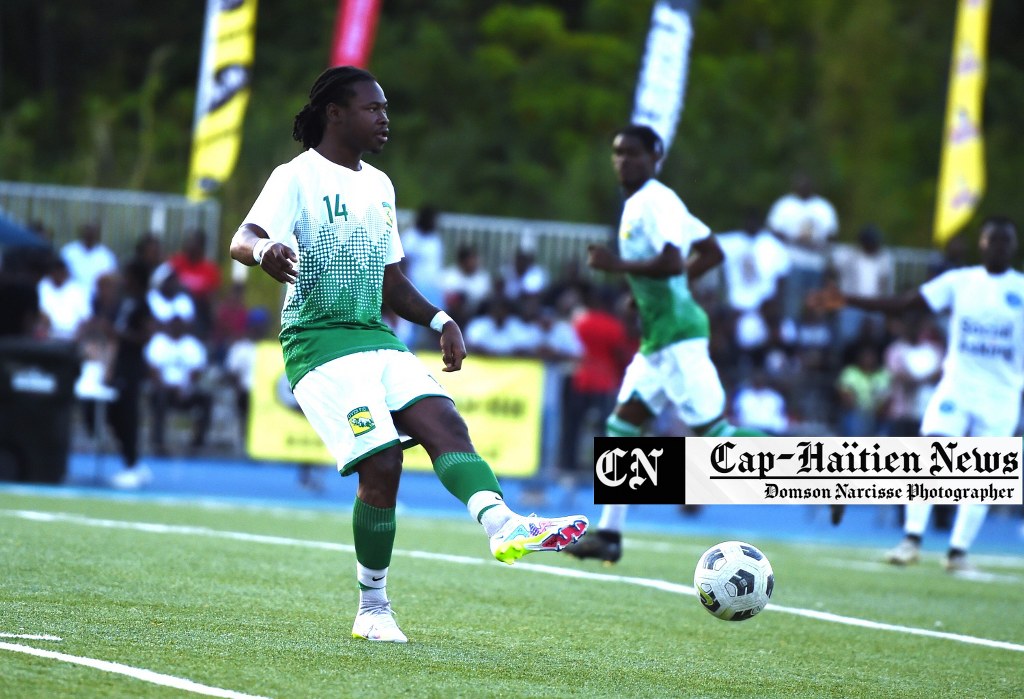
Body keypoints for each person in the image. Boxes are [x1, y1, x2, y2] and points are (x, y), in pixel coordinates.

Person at [228, 66, 588, 643]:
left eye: (386, 108)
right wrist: (265, 248)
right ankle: (373, 609)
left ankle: (503, 525)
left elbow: (391, 280)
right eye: (373, 108)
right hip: (317, 342)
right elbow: (241, 239)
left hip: (374, 334)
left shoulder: (381, 186)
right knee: (383, 465)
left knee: (443, 421)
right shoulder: (294, 176)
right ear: (335, 113)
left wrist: (441, 319)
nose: (384, 117)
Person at [564, 124, 766, 565]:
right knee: (622, 425)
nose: (624, 161)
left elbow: (674, 259)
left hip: (677, 339)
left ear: (655, 158)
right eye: (618, 153)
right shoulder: (650, 202)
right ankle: (610, 536)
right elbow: (711, 252)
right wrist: (648, 291)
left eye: (634, 154)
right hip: (657, 339)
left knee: (718, 438)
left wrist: (617, 266)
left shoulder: (655, 200)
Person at [819, 216, 1023, 572]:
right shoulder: (961, 282)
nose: (1000, 247)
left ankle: (958, 552)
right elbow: (905, 303)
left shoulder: (1021, 289)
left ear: (1014, 247)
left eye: (1007, 241)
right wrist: (848, 298)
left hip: (1002, 395)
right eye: (994, 240)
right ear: (983, 243)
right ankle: (911, 539)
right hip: (958, 387)